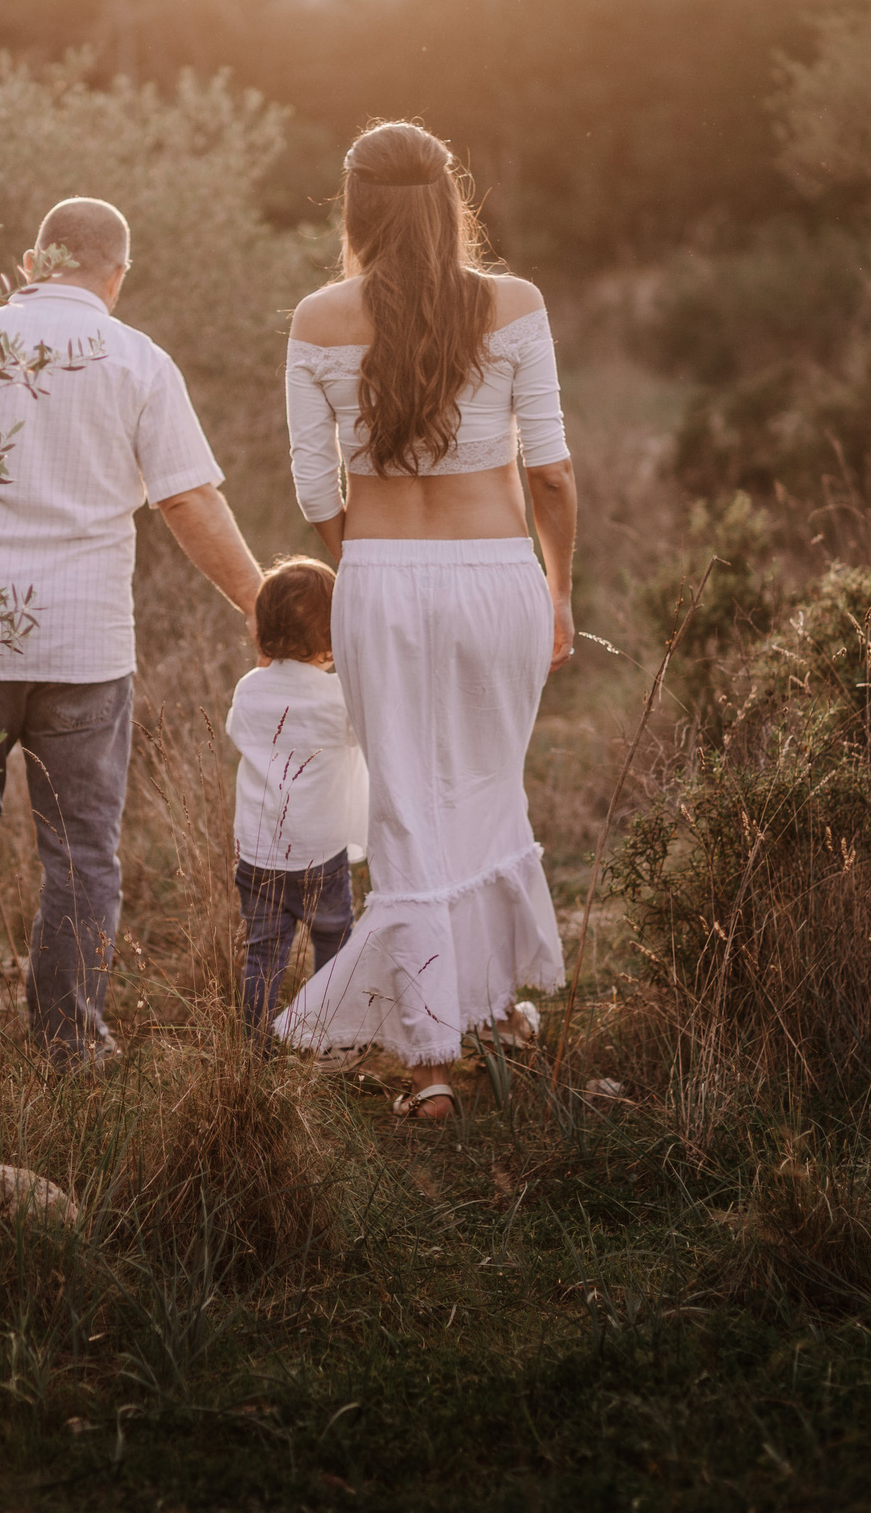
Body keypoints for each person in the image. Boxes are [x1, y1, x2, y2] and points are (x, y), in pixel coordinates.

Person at [0, 197, 264, 1071]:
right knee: (81, 847)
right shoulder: (138, 359)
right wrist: (256, 599)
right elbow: (188, 499)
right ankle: (70, 1039)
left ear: (30, 261)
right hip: (84, 648)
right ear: (116, 275)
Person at [270, 121, 577, 1121]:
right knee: (486, 788)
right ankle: (480, 1016)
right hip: (498, 578)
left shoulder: (318, 319)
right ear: (450, 200)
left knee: (405, 801)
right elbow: (552, 473)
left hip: (383, 577)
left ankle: (433, 1061)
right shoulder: (516, 303)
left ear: (354, 208)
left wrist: (372, 563)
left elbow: (318, 486)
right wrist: (557, 589)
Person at [227, 557, 367, 1036]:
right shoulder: (337, 699)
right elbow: (364, 736)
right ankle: (325, 1037)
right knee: (334, 941)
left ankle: (255, 1048)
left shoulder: (249, 690)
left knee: (263, 952)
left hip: (258, 852)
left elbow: (236, 732)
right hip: (318, 855)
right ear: (332, 636)